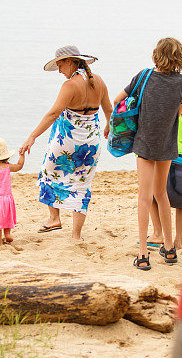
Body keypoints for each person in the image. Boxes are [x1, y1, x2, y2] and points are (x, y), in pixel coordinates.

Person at [20, 45, 113, 241]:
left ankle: (54, 218)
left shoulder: (70, 85)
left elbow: (54, 114)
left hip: (68, 141)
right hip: (91, 143)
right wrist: (108, 128)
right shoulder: (99, 81)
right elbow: (109, 112)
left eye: (60, 65)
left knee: (48, 172)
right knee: (82, 185)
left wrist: (32, 137)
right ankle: (76, 236)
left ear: (70, 61)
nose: (60, 71)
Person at [115, 38, 182, 270]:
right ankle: (169, 249)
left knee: (144, 197)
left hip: (145, 144)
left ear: (156, 55)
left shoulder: (144, 76)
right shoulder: (181, 82)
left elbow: (119, 100)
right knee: (162, 195)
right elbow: (179, 111)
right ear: (179, 57)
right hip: (167, 146)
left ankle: (143, 253)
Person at [148, 66, 182, 251]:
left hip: (164, 153)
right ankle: (179, 239)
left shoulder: (171, 103)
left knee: (155, 194)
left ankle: (158, 233)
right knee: (181, 199)